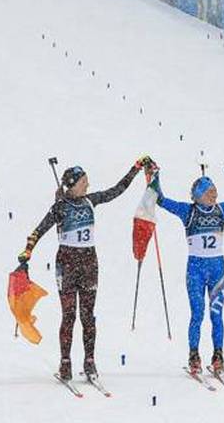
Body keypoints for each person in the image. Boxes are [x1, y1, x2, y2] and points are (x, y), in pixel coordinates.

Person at [18, 157, 154, 381]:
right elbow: (37, 231)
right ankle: (65, 362)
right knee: (69, 316)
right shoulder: (60, 207)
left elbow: (116, 190)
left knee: (88, 316)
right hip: (67, 264)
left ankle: (89, 361)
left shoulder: (91, 200)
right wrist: (27, 253)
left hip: (89, 263)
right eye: (83, 182)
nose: (88, 185)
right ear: (72, 185)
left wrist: (136, 168)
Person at [151, 159, 224, 375]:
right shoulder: (187, 211)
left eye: (215, 190)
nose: (214, 194)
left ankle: (218, 356)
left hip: (218, 271)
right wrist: (155, 176)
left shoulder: (222, 209)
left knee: (217, 315)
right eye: (209, 192)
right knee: (197, 314)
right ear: (198, 195)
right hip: (195, 271)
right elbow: (160, 200)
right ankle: (194, 355)